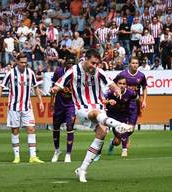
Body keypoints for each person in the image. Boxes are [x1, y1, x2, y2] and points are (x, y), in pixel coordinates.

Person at [50, 49, 133, 182]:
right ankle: (119, 125)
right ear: (86, 59)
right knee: (95, 114)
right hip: (82, 108)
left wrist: (117, 90)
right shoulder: (73, 71)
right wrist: (54, 89)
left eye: (97, 63)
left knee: (102, 134)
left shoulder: (98, 71)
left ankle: (82, 169)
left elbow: (111, 83)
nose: (95, 66)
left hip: (99, 106)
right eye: (93, 63)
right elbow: (59, 84)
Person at [0, 52, 44, 164]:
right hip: (14, 107)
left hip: (27, 107)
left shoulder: (30, 73)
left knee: (31, 129)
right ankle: (17, 156)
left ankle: (33, 156)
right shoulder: (10, 73)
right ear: (16, 61)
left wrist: (40, 101)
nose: (24, 64)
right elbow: (1, 87)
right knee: (15, 130)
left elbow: (36, 87)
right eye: (21, 62)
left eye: (25, 62)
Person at [116, 56, 147, 157]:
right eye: (133, 63)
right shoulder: (123, 74)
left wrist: (144, 100)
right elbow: (113, 84)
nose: (135, 65)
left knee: (131, 129)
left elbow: (145, 88)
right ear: (129, 63)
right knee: (124, 126)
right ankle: (124, 149)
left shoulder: (141, 75)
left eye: (136, 63)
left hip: (134, 103)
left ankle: (121, 137)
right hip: (123, 104)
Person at [50, 55, 76, 163]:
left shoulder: (77, 74)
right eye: (68, 63)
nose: (70, 65)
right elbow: (53, 87)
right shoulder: (59, 72)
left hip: (71, 104)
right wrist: (52, 101)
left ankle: (68, 154)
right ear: (65, 63)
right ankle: (57, 151)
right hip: (59, 104)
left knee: (70, 127)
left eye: (72, 63)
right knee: (56, 127)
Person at [105, 76, 137, 156]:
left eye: (124, 84)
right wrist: (108, 101)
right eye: (120, 83)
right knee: (117, 141)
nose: (122, 85)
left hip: (126, 115)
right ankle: (115, 144)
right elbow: (101, 100)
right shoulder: (110, 92)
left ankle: (124, 148)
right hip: (114, 116)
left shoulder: (130, 93)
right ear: (116, 84)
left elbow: (136, 100)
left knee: (129, 129)